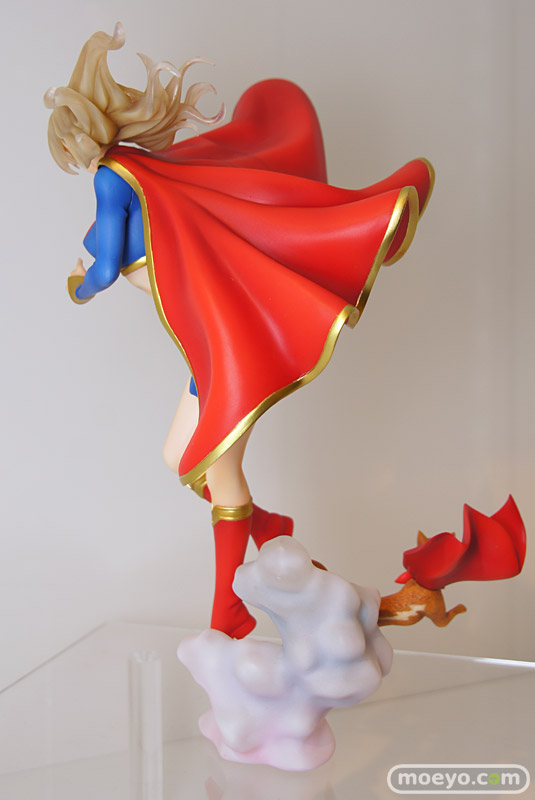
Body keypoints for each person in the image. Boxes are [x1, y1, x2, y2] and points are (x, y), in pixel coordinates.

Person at [46, 23, 434, 638]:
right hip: (211, 341)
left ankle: (228, 609)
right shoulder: (142, 168)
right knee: (179, 459)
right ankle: (266, 526)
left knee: (218, 469)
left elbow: (106, 263)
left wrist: (78, 285)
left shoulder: (113, 176)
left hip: (228, 345)